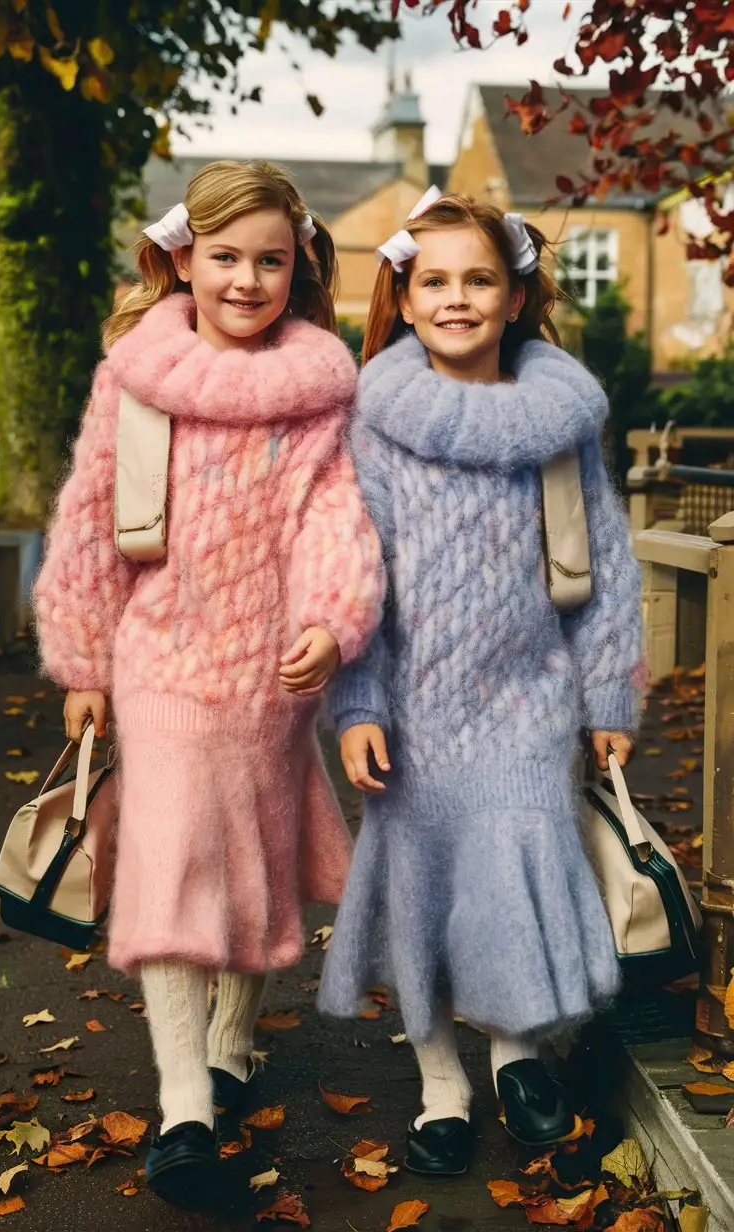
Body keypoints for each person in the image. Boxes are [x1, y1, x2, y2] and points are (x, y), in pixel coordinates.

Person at [33, 160, 385, 1208]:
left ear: (299, 265)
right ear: (181, 256)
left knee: (259, 860)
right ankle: (186, 1106)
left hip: (273, 667)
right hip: (163, 657)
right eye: (225, 256)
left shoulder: (322, 387)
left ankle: (232, 1037)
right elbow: (90, 518)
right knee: (179, 855)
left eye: (270, 259)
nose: (245, 279)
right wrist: (84, 657)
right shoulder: (134, 377)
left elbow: (340, 516)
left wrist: (330, 619)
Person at [318, 189, 643, 1176]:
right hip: (414, 707)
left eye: (479, 280)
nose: (457, 297)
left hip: (531, 697)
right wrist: (358, 703)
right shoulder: (375, 426)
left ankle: (512, 1057)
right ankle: (440, 1085)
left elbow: (605, 567)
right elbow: (352, 577)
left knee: (518, 871)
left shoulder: (557, 421)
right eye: (437, 281)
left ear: (514, 296)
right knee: (422, 894)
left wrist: (608, 696)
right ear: (407, 298)